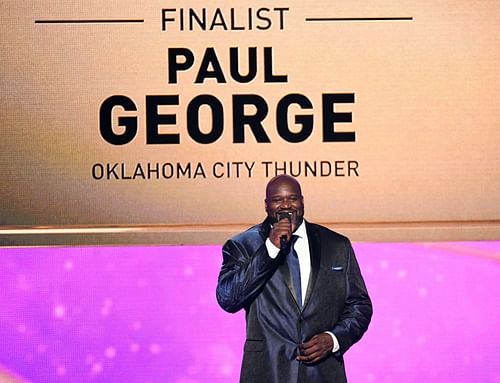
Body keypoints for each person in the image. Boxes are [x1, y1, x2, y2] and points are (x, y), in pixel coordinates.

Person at [216, 175, 372, 383]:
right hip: (268, 371)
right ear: (266, 205)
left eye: (293, 198)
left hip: (323, 372)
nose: (286, 205)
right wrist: (269, 250)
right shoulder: (243, 245)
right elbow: (228, 299)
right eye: (277, 200)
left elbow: (360, 305)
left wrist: (333, 339)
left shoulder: (336, 245)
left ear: (302, 201)